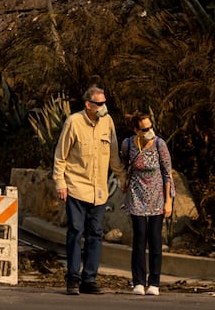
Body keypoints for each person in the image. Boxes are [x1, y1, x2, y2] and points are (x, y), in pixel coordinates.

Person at [53, 84, 122, 295]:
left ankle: (89, 278)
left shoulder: (107, 122)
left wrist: (122, 176)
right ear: (88, 104)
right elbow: (60, 155)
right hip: (76, 187)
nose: (103, 107)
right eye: (99, 103)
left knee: (95, 234)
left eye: (104, 102)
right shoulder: (74, 122)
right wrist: (60, 183)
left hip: (99, 191)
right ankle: (73, 278)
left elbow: (113, 154)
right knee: (76, 231)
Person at [120, 112, 174, 296]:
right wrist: (123, 181)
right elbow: (124, 164)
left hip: (157, 196)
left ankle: (154, 282)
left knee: (155, 238)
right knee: (140, 237)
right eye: (144, 129)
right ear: (136, 130)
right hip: (136, 194)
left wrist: (169, 201)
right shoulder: (128, 144)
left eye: (150, 127)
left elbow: (167, 173)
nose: (149, 131)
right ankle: (138, 281)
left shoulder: (160, 144)